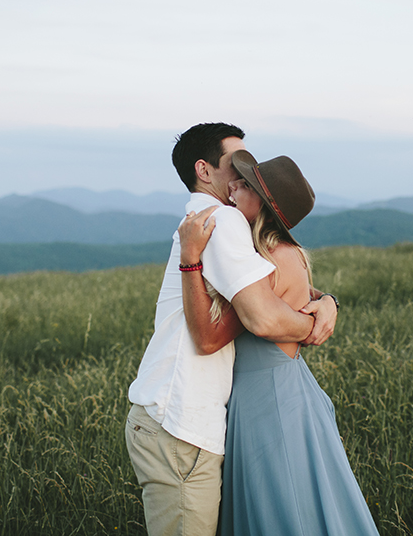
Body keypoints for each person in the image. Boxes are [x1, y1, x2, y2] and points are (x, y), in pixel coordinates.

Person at [125, 123, 339, 536]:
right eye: (234, 166)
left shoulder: (213, 221)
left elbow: (276, 287)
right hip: (180, 423)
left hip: (180, 420)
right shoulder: (221, 220)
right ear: (204, 171)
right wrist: (313, 323)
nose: (243, 175)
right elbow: (260, 318)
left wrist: (326, 299)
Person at [178, 150, 380, 536]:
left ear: (266, 206)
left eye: (247, 185)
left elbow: (214, 332)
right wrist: (327, 301)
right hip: (271, 394)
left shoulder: (274, 260)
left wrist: (191, 259)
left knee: (283, 509)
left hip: (270, 402)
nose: (234, 186)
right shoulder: (274, 256)